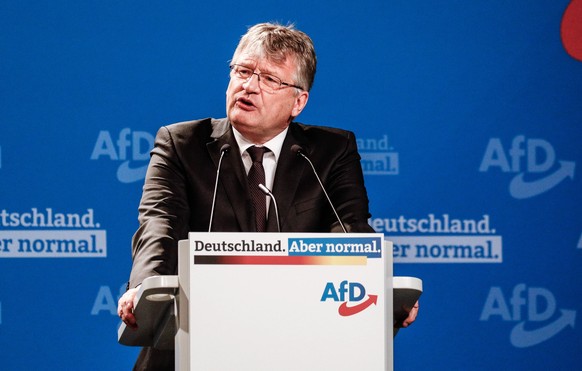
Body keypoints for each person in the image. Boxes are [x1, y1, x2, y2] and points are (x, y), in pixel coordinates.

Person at [118, 22, 417, 370]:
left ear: (298, 101)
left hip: (295, 344)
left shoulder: (331, 151)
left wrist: (375, 285)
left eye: (270, 79)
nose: (249, 86)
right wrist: (146, 285)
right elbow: (160, 224)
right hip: (191, 341)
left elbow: (349, 230)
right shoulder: (181, 144)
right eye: (243, 71)